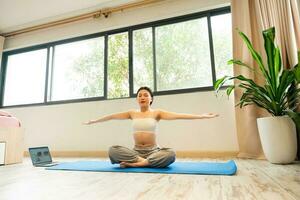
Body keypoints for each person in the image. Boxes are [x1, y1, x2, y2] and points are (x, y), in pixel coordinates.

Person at [83, 86, 219, 168]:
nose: (142, 97)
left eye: (145, 95)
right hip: (135, 152)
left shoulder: (157, 113)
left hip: (153, 151)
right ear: (137, 99)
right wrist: (94, 121)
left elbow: (179, 115)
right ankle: (145, 162)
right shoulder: (132, 113)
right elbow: (112, 116)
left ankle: (137, 164)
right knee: (112, 150)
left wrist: (202, 116)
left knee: (171, 154)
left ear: (151, 99)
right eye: (139, 95)